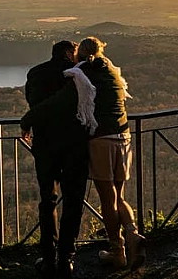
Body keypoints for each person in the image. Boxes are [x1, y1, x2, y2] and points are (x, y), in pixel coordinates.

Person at [70, 36, 146, 269]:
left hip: (101, 138)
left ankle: (118, 251)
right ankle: (133, 235)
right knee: (119, 196)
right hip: (123, 136)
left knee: (107, 198)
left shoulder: (82, 73)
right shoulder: (112, 71)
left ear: (80, 54)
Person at [19, 40, 88, 279]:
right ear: (70, 53)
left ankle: (48, 259)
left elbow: (34, 103)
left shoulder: (35, 73)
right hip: (75, 146)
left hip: (45, 145)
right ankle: (66, 258)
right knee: (73, 200)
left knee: (47, 201)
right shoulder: (76, 75)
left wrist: (30, 120)